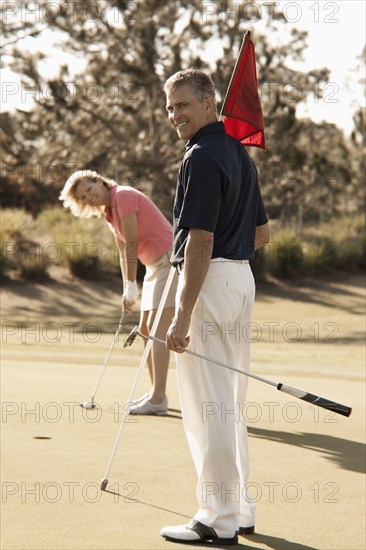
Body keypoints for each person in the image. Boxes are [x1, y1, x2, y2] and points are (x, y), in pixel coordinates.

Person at [160, 70, 270, 544]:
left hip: (210, 278)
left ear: (210, 102)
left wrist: (182, 314)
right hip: (238, 278)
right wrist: (229, 262)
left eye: (182, 105)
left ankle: (216, 518)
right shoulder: (239, 156)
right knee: (230, 404)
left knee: (209, 407)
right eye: (169, 108)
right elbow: (262, 235)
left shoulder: (201, 157)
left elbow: (200, 240)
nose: (174, 115)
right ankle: (240, 510)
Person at [59, 170, 177, 415]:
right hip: (154, 267)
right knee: (145, 329)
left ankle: (158, 399)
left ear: (99, 181)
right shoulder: (109, 212)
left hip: (169, 261)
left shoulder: (122, 195)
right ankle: (156, 392)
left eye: (90, 189)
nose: (90, 197)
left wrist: (133, 282)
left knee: (157, 328)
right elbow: (124, 252)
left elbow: (132, 242)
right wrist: (128, 287)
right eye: (84, 197)